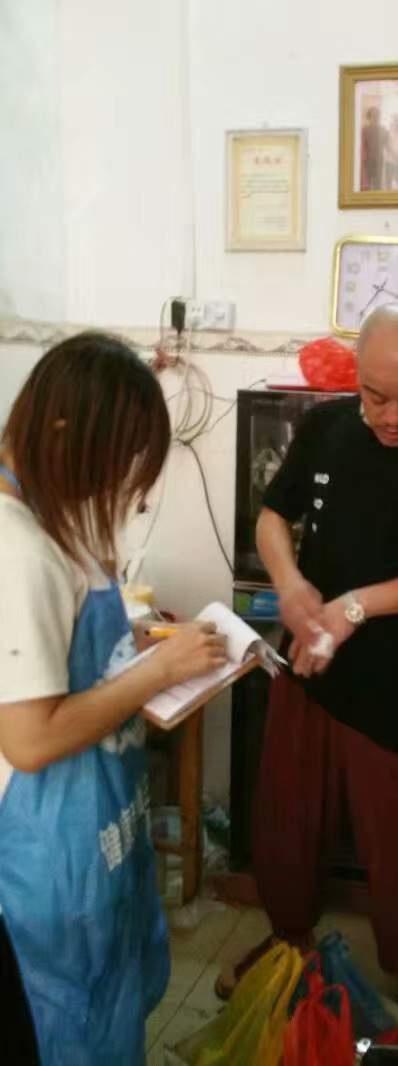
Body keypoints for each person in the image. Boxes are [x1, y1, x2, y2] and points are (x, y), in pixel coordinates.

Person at [224, 306, 398, 1011]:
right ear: (357, 377)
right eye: (376, 396)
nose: (393, 417)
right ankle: (288, 943)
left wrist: (355, 607)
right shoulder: (326, 427)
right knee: (287, 814)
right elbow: (273, 517)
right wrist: (290, 584)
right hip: (310, 663)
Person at [0, 333, 229, 1066]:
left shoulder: (50, 520)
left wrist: (144, 642)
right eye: (117, 463)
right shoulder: (14, 547)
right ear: (63, 432)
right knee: (65, 1021)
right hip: (45, 849)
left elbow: (68, 646)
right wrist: (157, 673)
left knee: (108, 1004)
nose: (124, 488)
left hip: (96, 829)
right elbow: (29, 739)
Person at [361, 106, 389, 191]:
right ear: (369, 117)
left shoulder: (384, 130)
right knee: (367, 184)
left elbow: (387, 145)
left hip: (379, 160)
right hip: (368, 160)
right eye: (374, 115)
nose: (376, 117)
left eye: (378, 115)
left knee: (378, 184)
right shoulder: (364, 130)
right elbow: (362, 146)